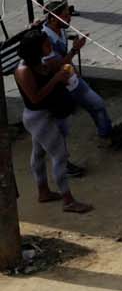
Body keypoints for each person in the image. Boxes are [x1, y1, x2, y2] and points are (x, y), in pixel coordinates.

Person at [13, 29, 92, 213]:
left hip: (47, 114)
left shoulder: (41, 62)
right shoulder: (23, 70)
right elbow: (35, 97)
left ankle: (43, 191)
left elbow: (60, 64)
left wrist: (73, 51)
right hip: (38, 117)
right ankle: (68, 200)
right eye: (46, 44)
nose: (50, 46)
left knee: (39, 153)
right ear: (36, 49)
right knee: (60, 156)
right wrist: (56, 80)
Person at [39, 1, 122, 144]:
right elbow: (56, 65)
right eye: (65, 16)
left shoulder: (61, 30)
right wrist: (75, 50)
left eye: (69, 15)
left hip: (71, 78)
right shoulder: (46, 40)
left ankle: (106, 133)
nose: (69, 19)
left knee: (97, 105)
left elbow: (65, 60)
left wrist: (75, 72)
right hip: (60, 86)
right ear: (53, 18)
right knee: (63, 127)